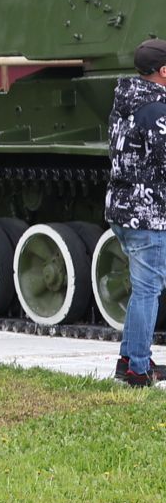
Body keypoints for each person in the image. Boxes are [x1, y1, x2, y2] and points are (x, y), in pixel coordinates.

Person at [106, 36, 166, 386]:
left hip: (122, 210)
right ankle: (137, 371)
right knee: (148, 291)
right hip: (149, 214)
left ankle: (128, 358)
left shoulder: (124, 102)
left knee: (141, 288)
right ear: (162, 71)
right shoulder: (157, 110)